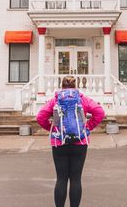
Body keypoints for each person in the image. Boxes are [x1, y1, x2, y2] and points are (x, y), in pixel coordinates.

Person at [36, 76, 105, 207]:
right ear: (75, 86)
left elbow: (40, 117)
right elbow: (100, 112)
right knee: (76, 178)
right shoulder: (82, 99)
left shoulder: (55, 100)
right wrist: (88, 127)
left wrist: (52, 129)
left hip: (59, 142)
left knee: (61, 179)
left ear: (62, 86)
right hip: (80, 142)